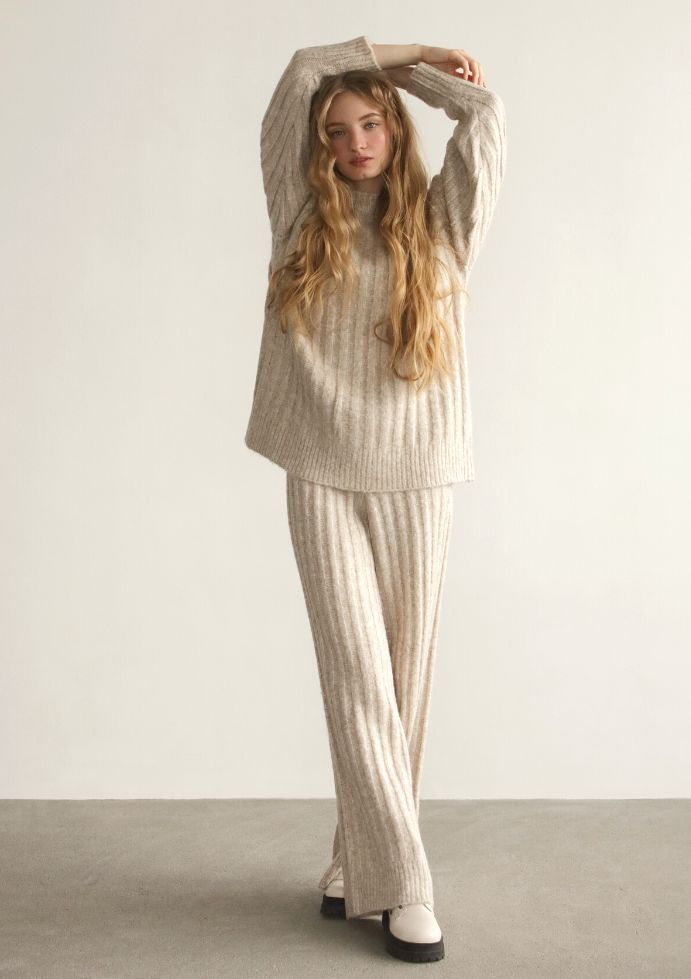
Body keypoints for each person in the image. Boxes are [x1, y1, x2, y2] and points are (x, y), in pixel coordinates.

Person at [244, 35, 506, 964]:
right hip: (319, 470)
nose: (354, 143)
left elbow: (484, 115)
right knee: (357, 678)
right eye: (337, 130)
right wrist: (392, 52)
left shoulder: (442, 224)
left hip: (418, 475)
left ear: (395, 128)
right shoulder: (295, 211)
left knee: (401, 687)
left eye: (370, 124)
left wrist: (416, 80)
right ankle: (406, 885)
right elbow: (298, 73)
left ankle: (354, 863)